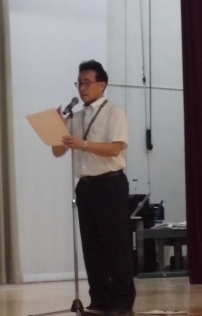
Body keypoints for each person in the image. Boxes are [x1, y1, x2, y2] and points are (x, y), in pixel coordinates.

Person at [52, 60, 136, 316]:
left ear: (102, 85)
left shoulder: (114, 112)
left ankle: (122, 301)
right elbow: (57, 151)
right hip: (86, 187)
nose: (82, 88)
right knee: (92, 246)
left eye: (87, 83)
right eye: (79, 83)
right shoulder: (75, 117)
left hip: (110, 183)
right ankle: (99, 299)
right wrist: (57, 127)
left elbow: (116, 148)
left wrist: (85, 144)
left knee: (115, 244)